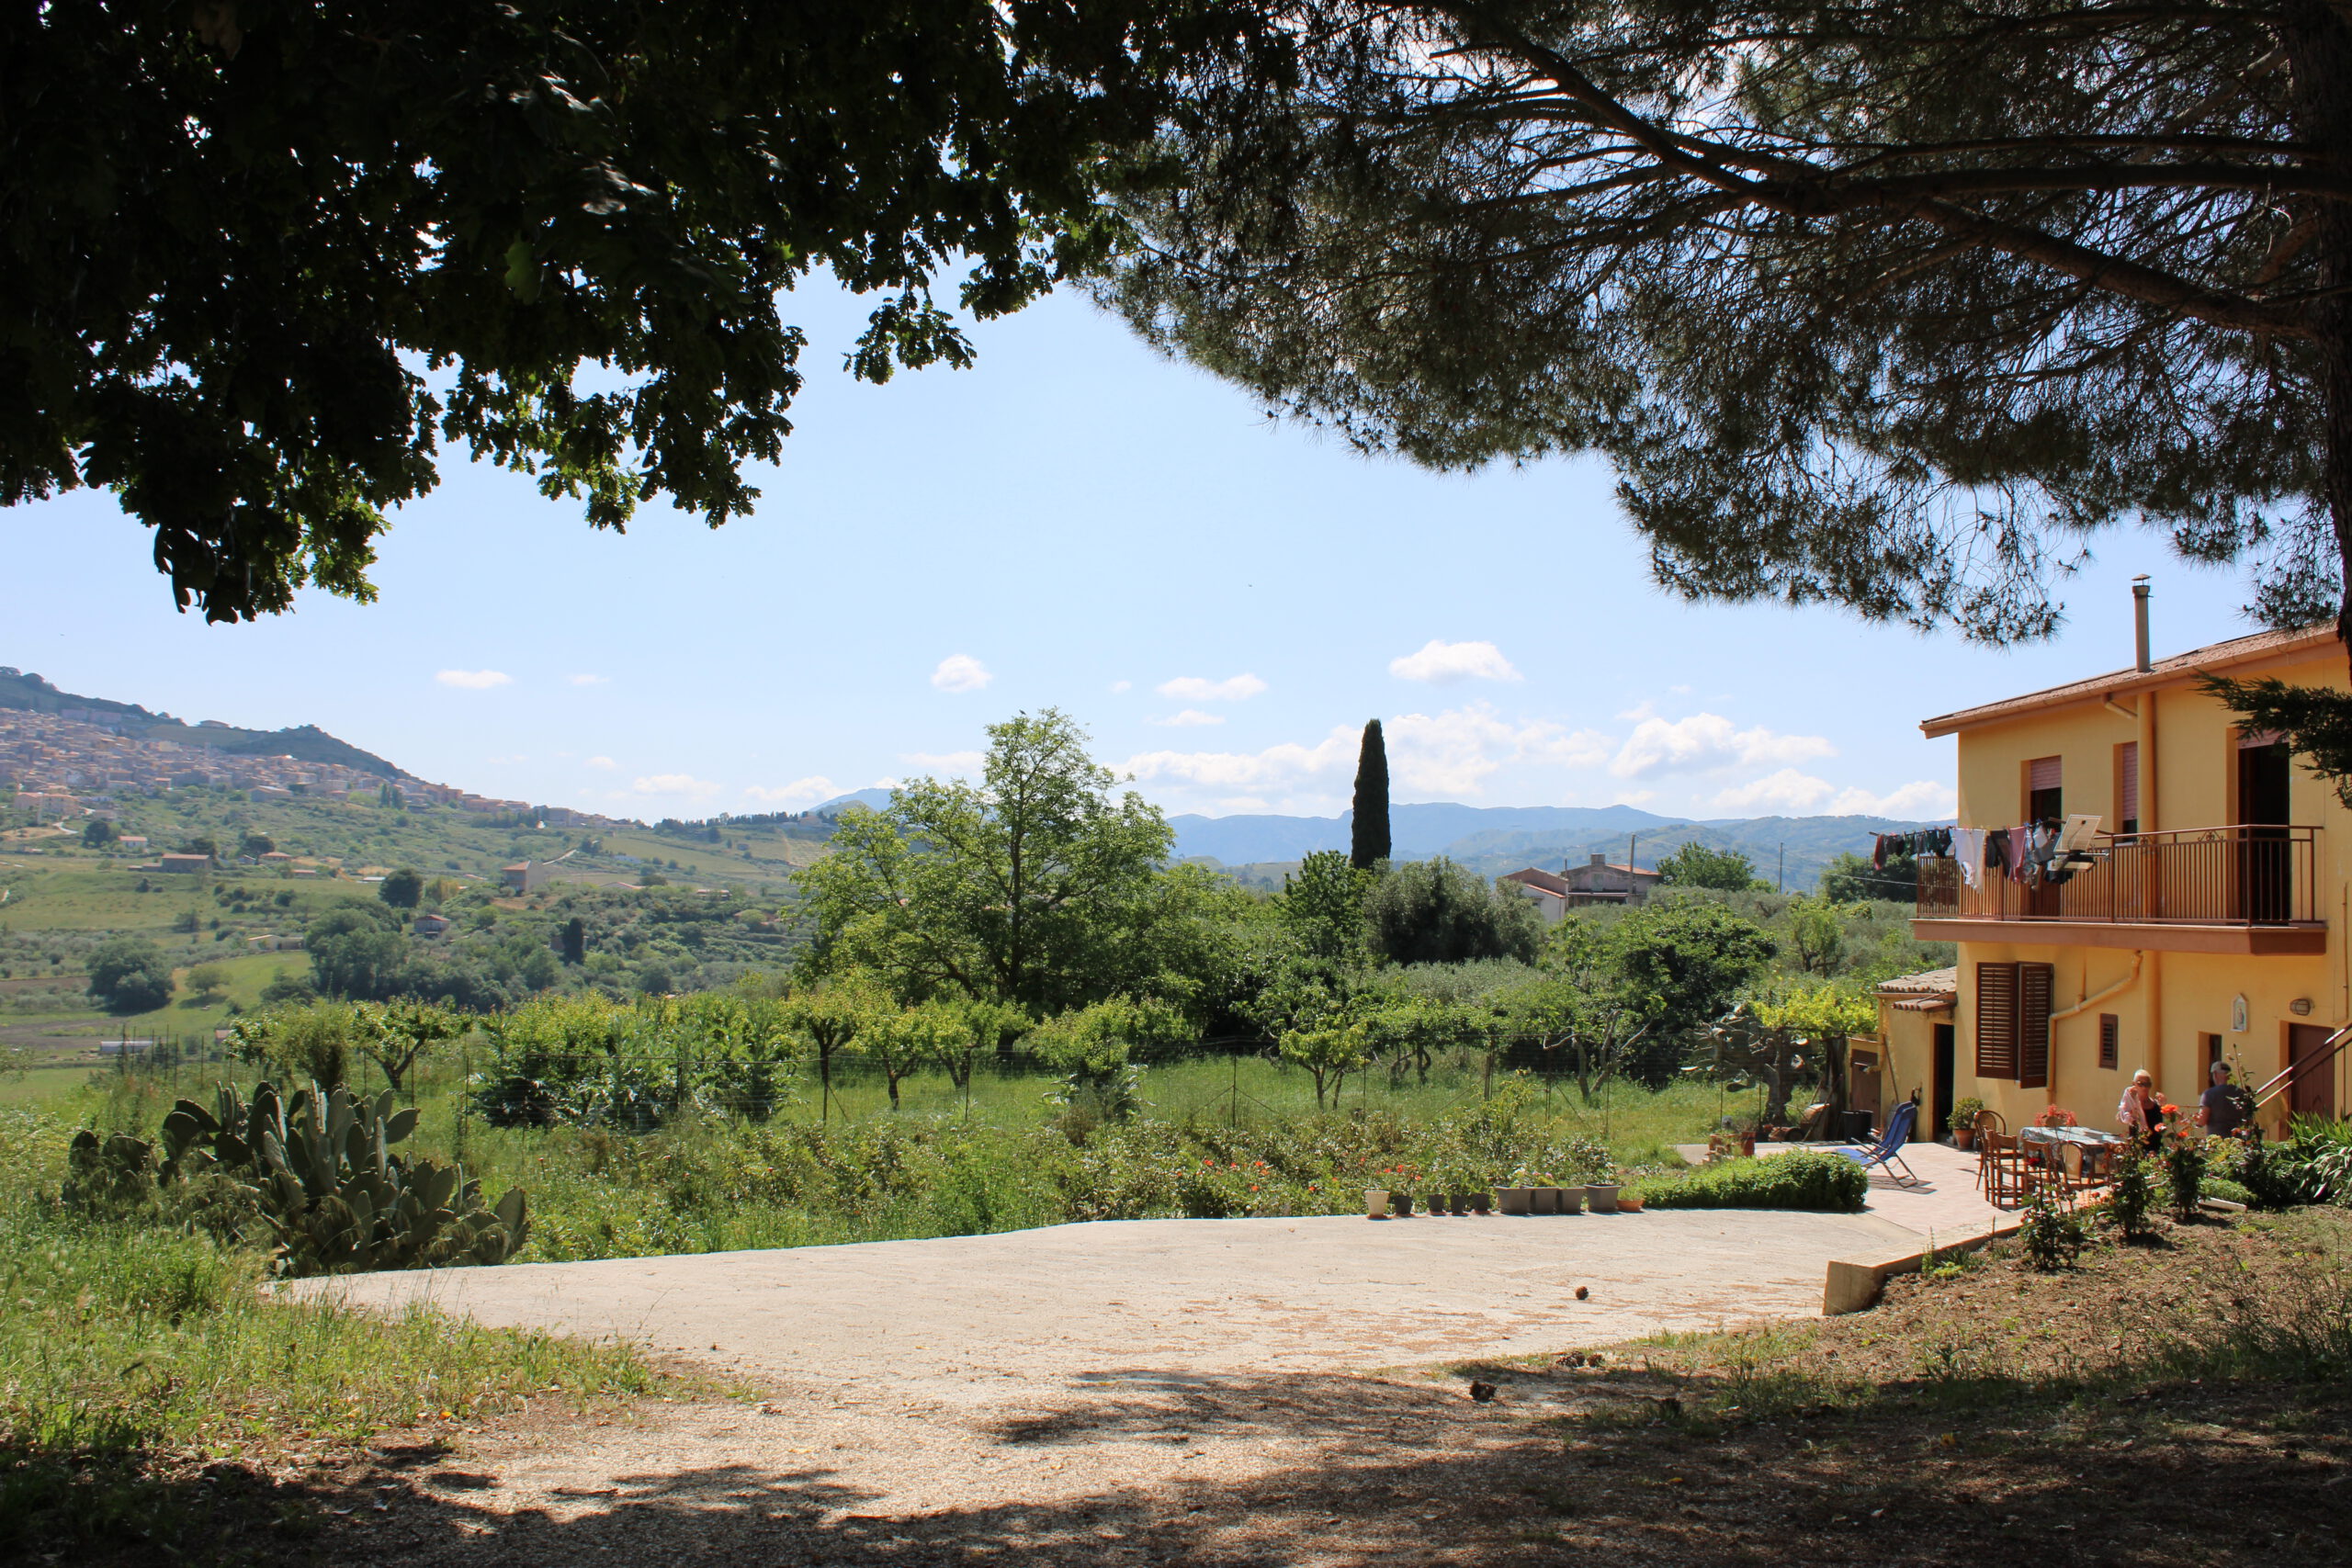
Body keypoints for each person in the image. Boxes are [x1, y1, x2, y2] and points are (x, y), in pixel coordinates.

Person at [2195, 1060, 2255, 1139]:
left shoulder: (2209, 1094)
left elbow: (2201, 1122)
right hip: (2238, 1141)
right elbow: (2250, 1119)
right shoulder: (2241, 1093)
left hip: (2217, 1141)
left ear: (2215, 1074)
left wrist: (2185, 1119)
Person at [2117, 1068, 2165, 1151]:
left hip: (2156, 1150)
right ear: (2133, 1084)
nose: (2144, 1087)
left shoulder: (2156, 1105)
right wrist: (2132, 1110)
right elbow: (2120, 1118)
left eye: (2147, 1084)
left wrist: (2164, 1105)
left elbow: (2173, 1117)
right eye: (2140, 1084)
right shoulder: (2131, 1104)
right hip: (2138, 1150)